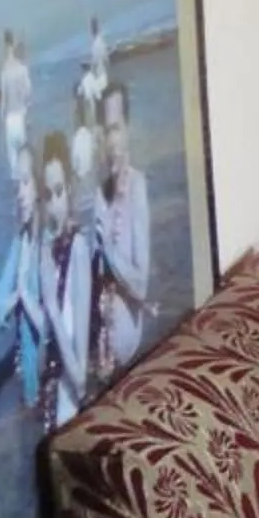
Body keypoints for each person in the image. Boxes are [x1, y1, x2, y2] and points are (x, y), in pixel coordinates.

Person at [86, 80, 150, 392]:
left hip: (132, 369)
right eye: (105, 131)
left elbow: (141, 284)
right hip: (104, 365)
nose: (111, 141)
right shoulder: (99, 195)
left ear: (128, 130)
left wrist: (109, 250)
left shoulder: (137, 187)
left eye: (116, 128)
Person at [0, 139, 49, 415]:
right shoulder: (18, 244)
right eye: (16, 187)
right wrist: (13, 301)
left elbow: (55, 327)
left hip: (49, 390)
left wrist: (25, 296)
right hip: (30, 393)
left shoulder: (46, 245)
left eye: (25, 183)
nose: (19, 194)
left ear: (38, 187)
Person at [36, 130, 88, 427]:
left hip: (71, 413)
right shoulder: (50, 251)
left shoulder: (78, 249)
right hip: (52, 405)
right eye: (47, 195)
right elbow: (47, 339)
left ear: (69, 189)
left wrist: (52, 309)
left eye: (59, 192)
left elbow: (81, 381)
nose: (54, 205)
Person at [0, 31, 31, 164]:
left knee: (13, 161)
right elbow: (28, 92)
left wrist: (2, 118)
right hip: (21, 114)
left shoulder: (4, 70)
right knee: (24, 157)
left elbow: (4, 99)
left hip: (10, 118)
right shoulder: (22, 69)